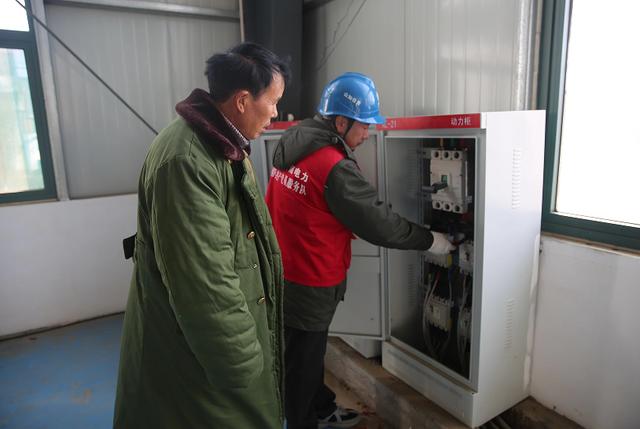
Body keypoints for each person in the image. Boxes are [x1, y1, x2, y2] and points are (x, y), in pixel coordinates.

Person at [113, 42, 290, 429]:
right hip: (194, 362)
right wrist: (242, 363)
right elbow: (205, 282)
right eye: (273, 102)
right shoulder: (187, 161)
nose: (276, 113)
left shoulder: (226, 147)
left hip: (205, 352)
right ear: (242, 100)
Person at [265, 72, 456, 429]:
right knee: (302, 361)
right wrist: (432, 240)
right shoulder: (333, 166)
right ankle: (303, 420)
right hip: (310, 277)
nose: (368, 134)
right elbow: (380, 224)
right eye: (364, 125)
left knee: (307, 352)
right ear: (341, 122)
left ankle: (320, 408)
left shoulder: (295, 139)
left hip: (286, 268)